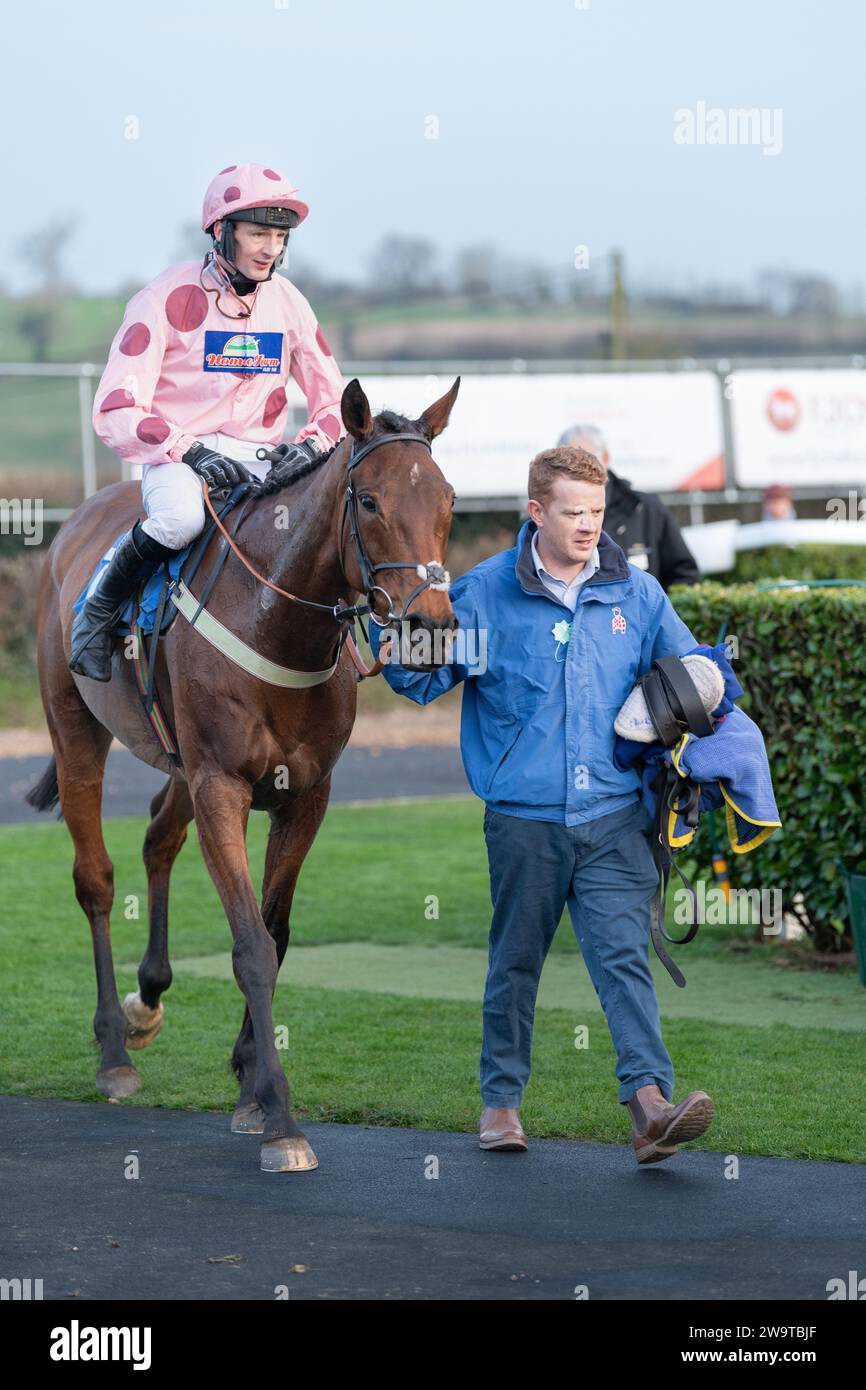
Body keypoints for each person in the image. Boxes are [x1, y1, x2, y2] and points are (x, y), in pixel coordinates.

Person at [368, 445, 715, 1164]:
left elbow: (692, 673)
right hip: (524, 818)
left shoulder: (636, 593)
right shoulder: (485, 593)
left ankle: (650, 1108)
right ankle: (501, 1105)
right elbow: (417, 676)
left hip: (616, 817)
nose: (590, 526)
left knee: (623, 959)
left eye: (595, 512)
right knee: (516, 962)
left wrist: (709, 702)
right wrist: (385, 639)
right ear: (536, 512)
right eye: (573, 513)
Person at [70, 161, 345, 681]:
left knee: (319, 526)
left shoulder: (290, 304)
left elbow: (336, 404)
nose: (270, 248)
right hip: (179, 456)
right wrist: (190, 451)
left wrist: (308, 447)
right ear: (222, 233)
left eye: (279, 235)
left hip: (262, 458)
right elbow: (116, 407)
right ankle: (97, 612)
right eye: (257, 233)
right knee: (180, 522)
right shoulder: (161, 298)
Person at [558, 423, 700, 591]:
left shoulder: (647, 509)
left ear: (605, 458)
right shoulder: (543, 518)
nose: (578, 471)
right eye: (568, 464)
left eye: (586, 461)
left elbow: (684, 575)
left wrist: (653, 612)